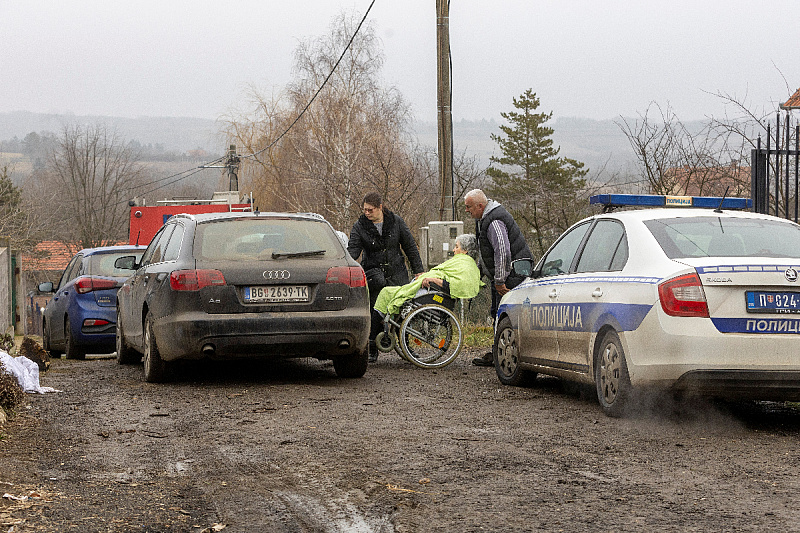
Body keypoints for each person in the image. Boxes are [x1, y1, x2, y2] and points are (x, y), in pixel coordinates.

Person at [348, 192, 424, 362]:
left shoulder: (396, 222)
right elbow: (353, 251)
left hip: (397, 273)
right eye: (365, 210)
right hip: (375, 275)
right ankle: (372, 348)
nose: (367, 213)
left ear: (380, 207)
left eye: (371, 210)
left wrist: (418, 270)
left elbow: (409, 246)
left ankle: (406, 347)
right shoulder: (360, 226)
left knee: (402, 312)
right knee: (375, 311)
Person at [464, 189, 532, 367]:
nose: (466, 210)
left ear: (480, 206)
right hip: (505, 273)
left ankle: (505, 354)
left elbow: (502, 252)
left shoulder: (493, 220)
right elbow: (486, 251)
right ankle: (498, 351)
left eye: (469, 207)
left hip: (512, 275)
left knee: (504, 314)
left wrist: (500, 280)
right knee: (497, 312)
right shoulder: (484, 219)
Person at [373, 233, 482, 320]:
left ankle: (373, 339)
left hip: (434, 293)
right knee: (389, 293)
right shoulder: (465, 263)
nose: (453, 250)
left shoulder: (463, 263)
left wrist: (432, 279)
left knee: (386, 293)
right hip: (430, 289)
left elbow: (454, 284)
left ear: (465, 250)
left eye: (456, 247)